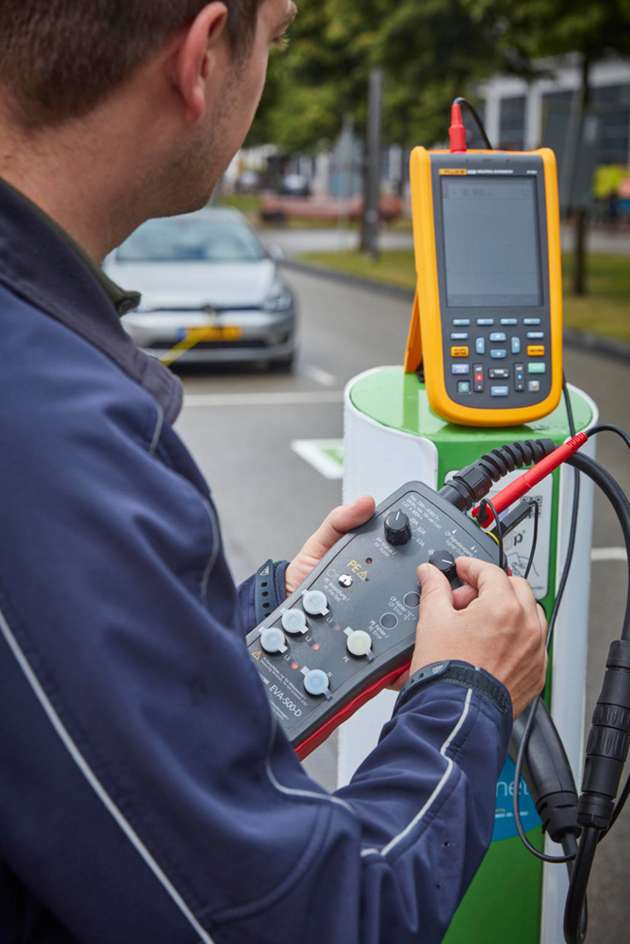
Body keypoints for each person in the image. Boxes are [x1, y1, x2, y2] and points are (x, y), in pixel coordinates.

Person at [0, 2, 547, 942]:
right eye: (280, 35)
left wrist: (272, 614)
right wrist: (466, 696)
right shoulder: (54, 440)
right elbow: (310, 919)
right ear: (203, 55)